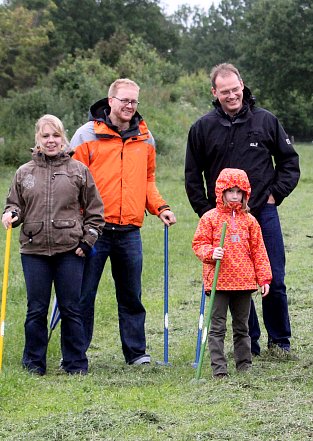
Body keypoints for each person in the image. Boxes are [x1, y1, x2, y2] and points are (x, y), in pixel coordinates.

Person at [186, 63, 300, 358]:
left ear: (242, 85)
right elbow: (191, 176)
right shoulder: (202, 128)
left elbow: (289, 162)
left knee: (272, 276)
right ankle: (249, 343)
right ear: (215, 92)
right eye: (225, 92)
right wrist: (206, 212)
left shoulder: (266, 121)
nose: (232, 95)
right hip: (223, 221)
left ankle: (280, 340)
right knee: (236, 282)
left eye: (236, 89)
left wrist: (275, 195)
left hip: (262, 213)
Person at [71, 78, 177, 365]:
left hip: (130, 231)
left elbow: (148, 181)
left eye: (134, 101)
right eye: (125, 100)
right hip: (94, 231)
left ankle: (136, 353)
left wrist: (160, 207)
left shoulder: (145, 137)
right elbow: (71, 182)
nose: (130, 106)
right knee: (83, 296)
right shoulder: (86, 135)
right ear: (110, 102)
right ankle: (75, 355)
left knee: (131, 296)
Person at [2, 115, 104, 375]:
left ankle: (75, 364)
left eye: (55, 136)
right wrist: (11, 214)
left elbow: (95, 213)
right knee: (36, 309)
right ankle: (33, 364)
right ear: (37, 139)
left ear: (63, 138)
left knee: (71, 308)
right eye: (45, 136)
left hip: (70, 249)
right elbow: (15, 205)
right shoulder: (24, 172)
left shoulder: (78, 171)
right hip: (34, 250)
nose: (51, 141)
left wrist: (88, 240)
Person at [193, 168, 272, 378]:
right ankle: (219, 369)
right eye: (230, 191)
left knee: (242, 327)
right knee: (217, 327)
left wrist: (264, 277)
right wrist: (211, 252)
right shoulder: (210, 218)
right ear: (221, 192)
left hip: (244, 282)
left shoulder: (250, 221)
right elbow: (198, 244)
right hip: (218, 282)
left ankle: (244, 365)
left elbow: (259, 251)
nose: (235, 196)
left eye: (239, 191)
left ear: (245, 193)